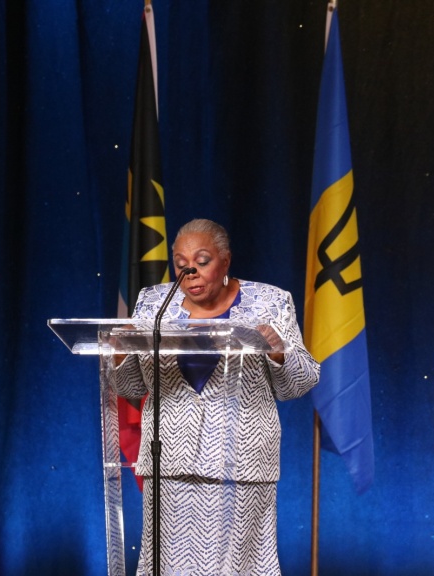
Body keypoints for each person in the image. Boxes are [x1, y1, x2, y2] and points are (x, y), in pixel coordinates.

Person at [111, 218, 320, 576]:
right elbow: (131, 387)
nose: (189, 271)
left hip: (243, 463)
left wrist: (278, 352)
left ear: (225, 261)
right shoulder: (154, 303)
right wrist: (119, 354)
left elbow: (300, 383)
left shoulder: (269, 303)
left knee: (240, 567)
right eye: (181, 263)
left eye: (202, 260)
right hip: (170, 461)